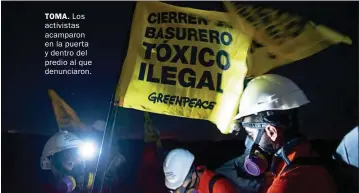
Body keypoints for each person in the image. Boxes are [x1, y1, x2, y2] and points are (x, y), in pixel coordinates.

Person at [231, 74, 338, 193]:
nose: (249, 142)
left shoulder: (286, 182)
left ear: (272, 132)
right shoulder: (310, 157)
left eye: (251, 134)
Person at [163, 148, 238, 193]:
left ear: (193, 175)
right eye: (176, 188)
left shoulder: (219, 188)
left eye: (181, 187)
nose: (180, 190)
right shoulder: (183, 183)